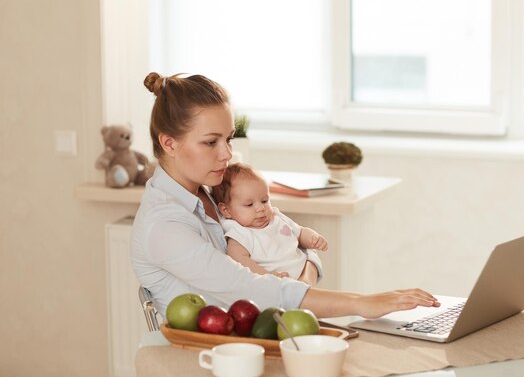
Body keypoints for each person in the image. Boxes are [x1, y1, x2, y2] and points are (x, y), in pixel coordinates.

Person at [131, 71, 440, 318]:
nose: (227, 153)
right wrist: (360, 303)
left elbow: (288, 238)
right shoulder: (164, 225)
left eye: (228, 139)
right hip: (208, 358)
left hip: (260, 332)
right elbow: (244, 287)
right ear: (169, 144)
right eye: (211, 142)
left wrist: (301, 281)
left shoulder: (213, 192)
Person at [212, 163, 328, 284]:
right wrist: (267, 276)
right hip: (281, 286)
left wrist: (313, 238)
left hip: (305, 275)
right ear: (226, 210)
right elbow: (241, 262)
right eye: (249, 204)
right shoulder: (240, 235)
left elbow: (300, 232)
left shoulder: (276, 217)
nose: (261, 208)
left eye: (264, 201)